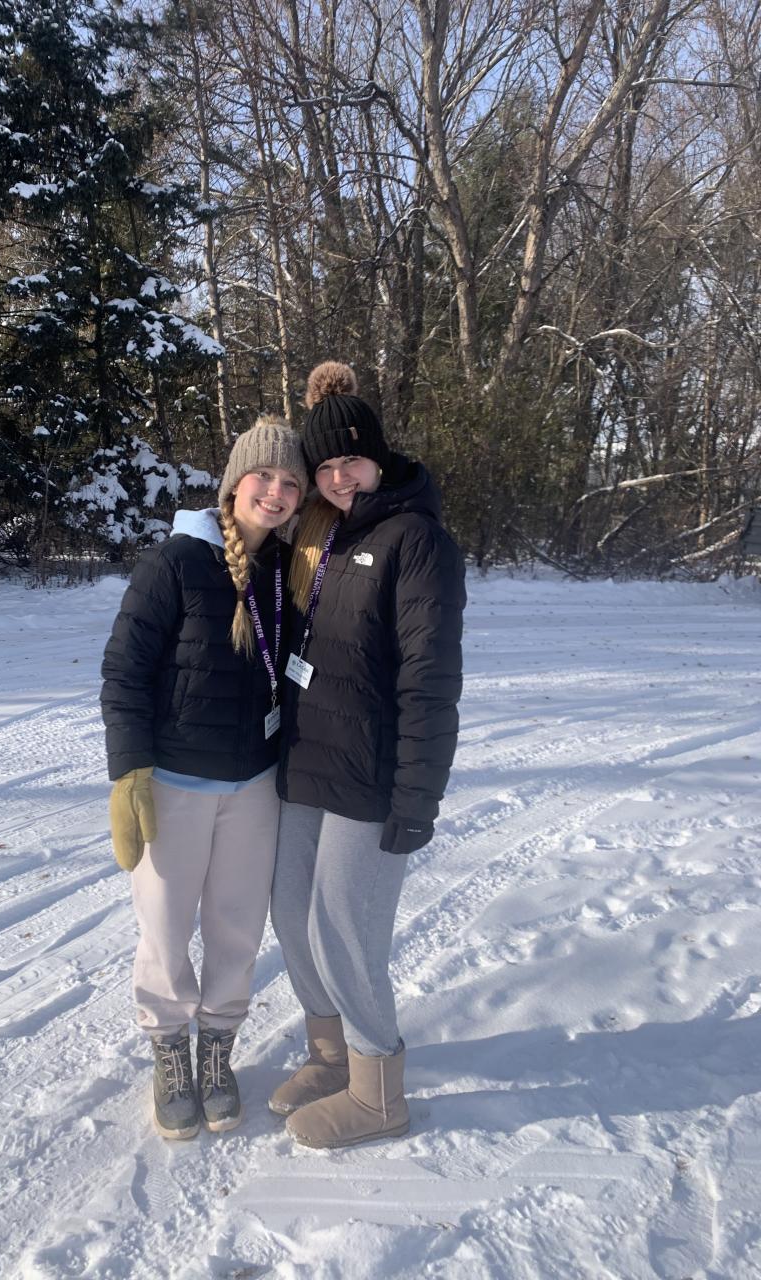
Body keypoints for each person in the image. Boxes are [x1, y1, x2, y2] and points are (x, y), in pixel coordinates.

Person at [269, 361, 465, 1149]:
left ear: (378, 457)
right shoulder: (322, 534)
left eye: (352, 459)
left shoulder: (417, 540)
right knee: (292, 912)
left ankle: (379, 1090)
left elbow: (430, 679)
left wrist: (417, 794)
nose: (339, 475)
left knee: (343, 929)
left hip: (372, 773)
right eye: (326, 464)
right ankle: (331, 1055)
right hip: (308, 761)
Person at [100, 416, 307, 1139]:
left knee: (237, 927)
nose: (275, 492)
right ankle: (169, 1050)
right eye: (263, 476)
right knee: (163, 928)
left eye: (290, 482)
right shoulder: (177, 562)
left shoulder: (289, 571)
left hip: (254, 787)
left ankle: (217, 1049)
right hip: (175, 785)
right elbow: (124, 670)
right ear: (233, 482)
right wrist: (129, 770)